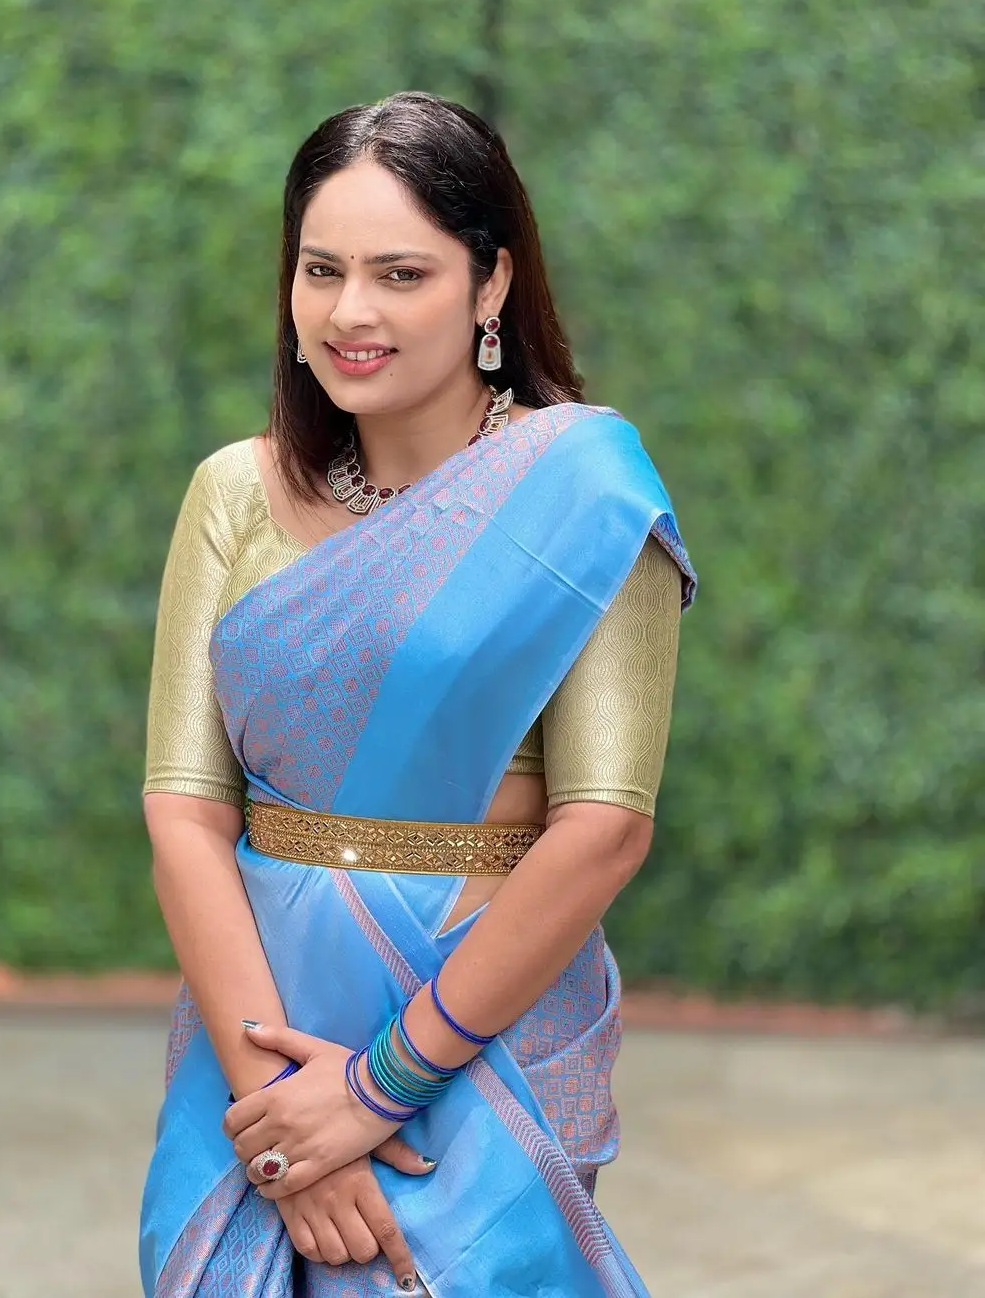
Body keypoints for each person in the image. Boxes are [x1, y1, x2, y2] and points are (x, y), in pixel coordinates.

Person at [139, 90, 695, 1298]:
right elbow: (184, 810)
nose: (350, 312)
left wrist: (376, 1086)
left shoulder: (586, 501)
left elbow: (603, 829)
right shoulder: (235, 492)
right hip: (258, 1026)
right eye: (320, 269)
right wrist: (280, 1108)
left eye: (401, 273)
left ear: (490, 284)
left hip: (475, 1032)